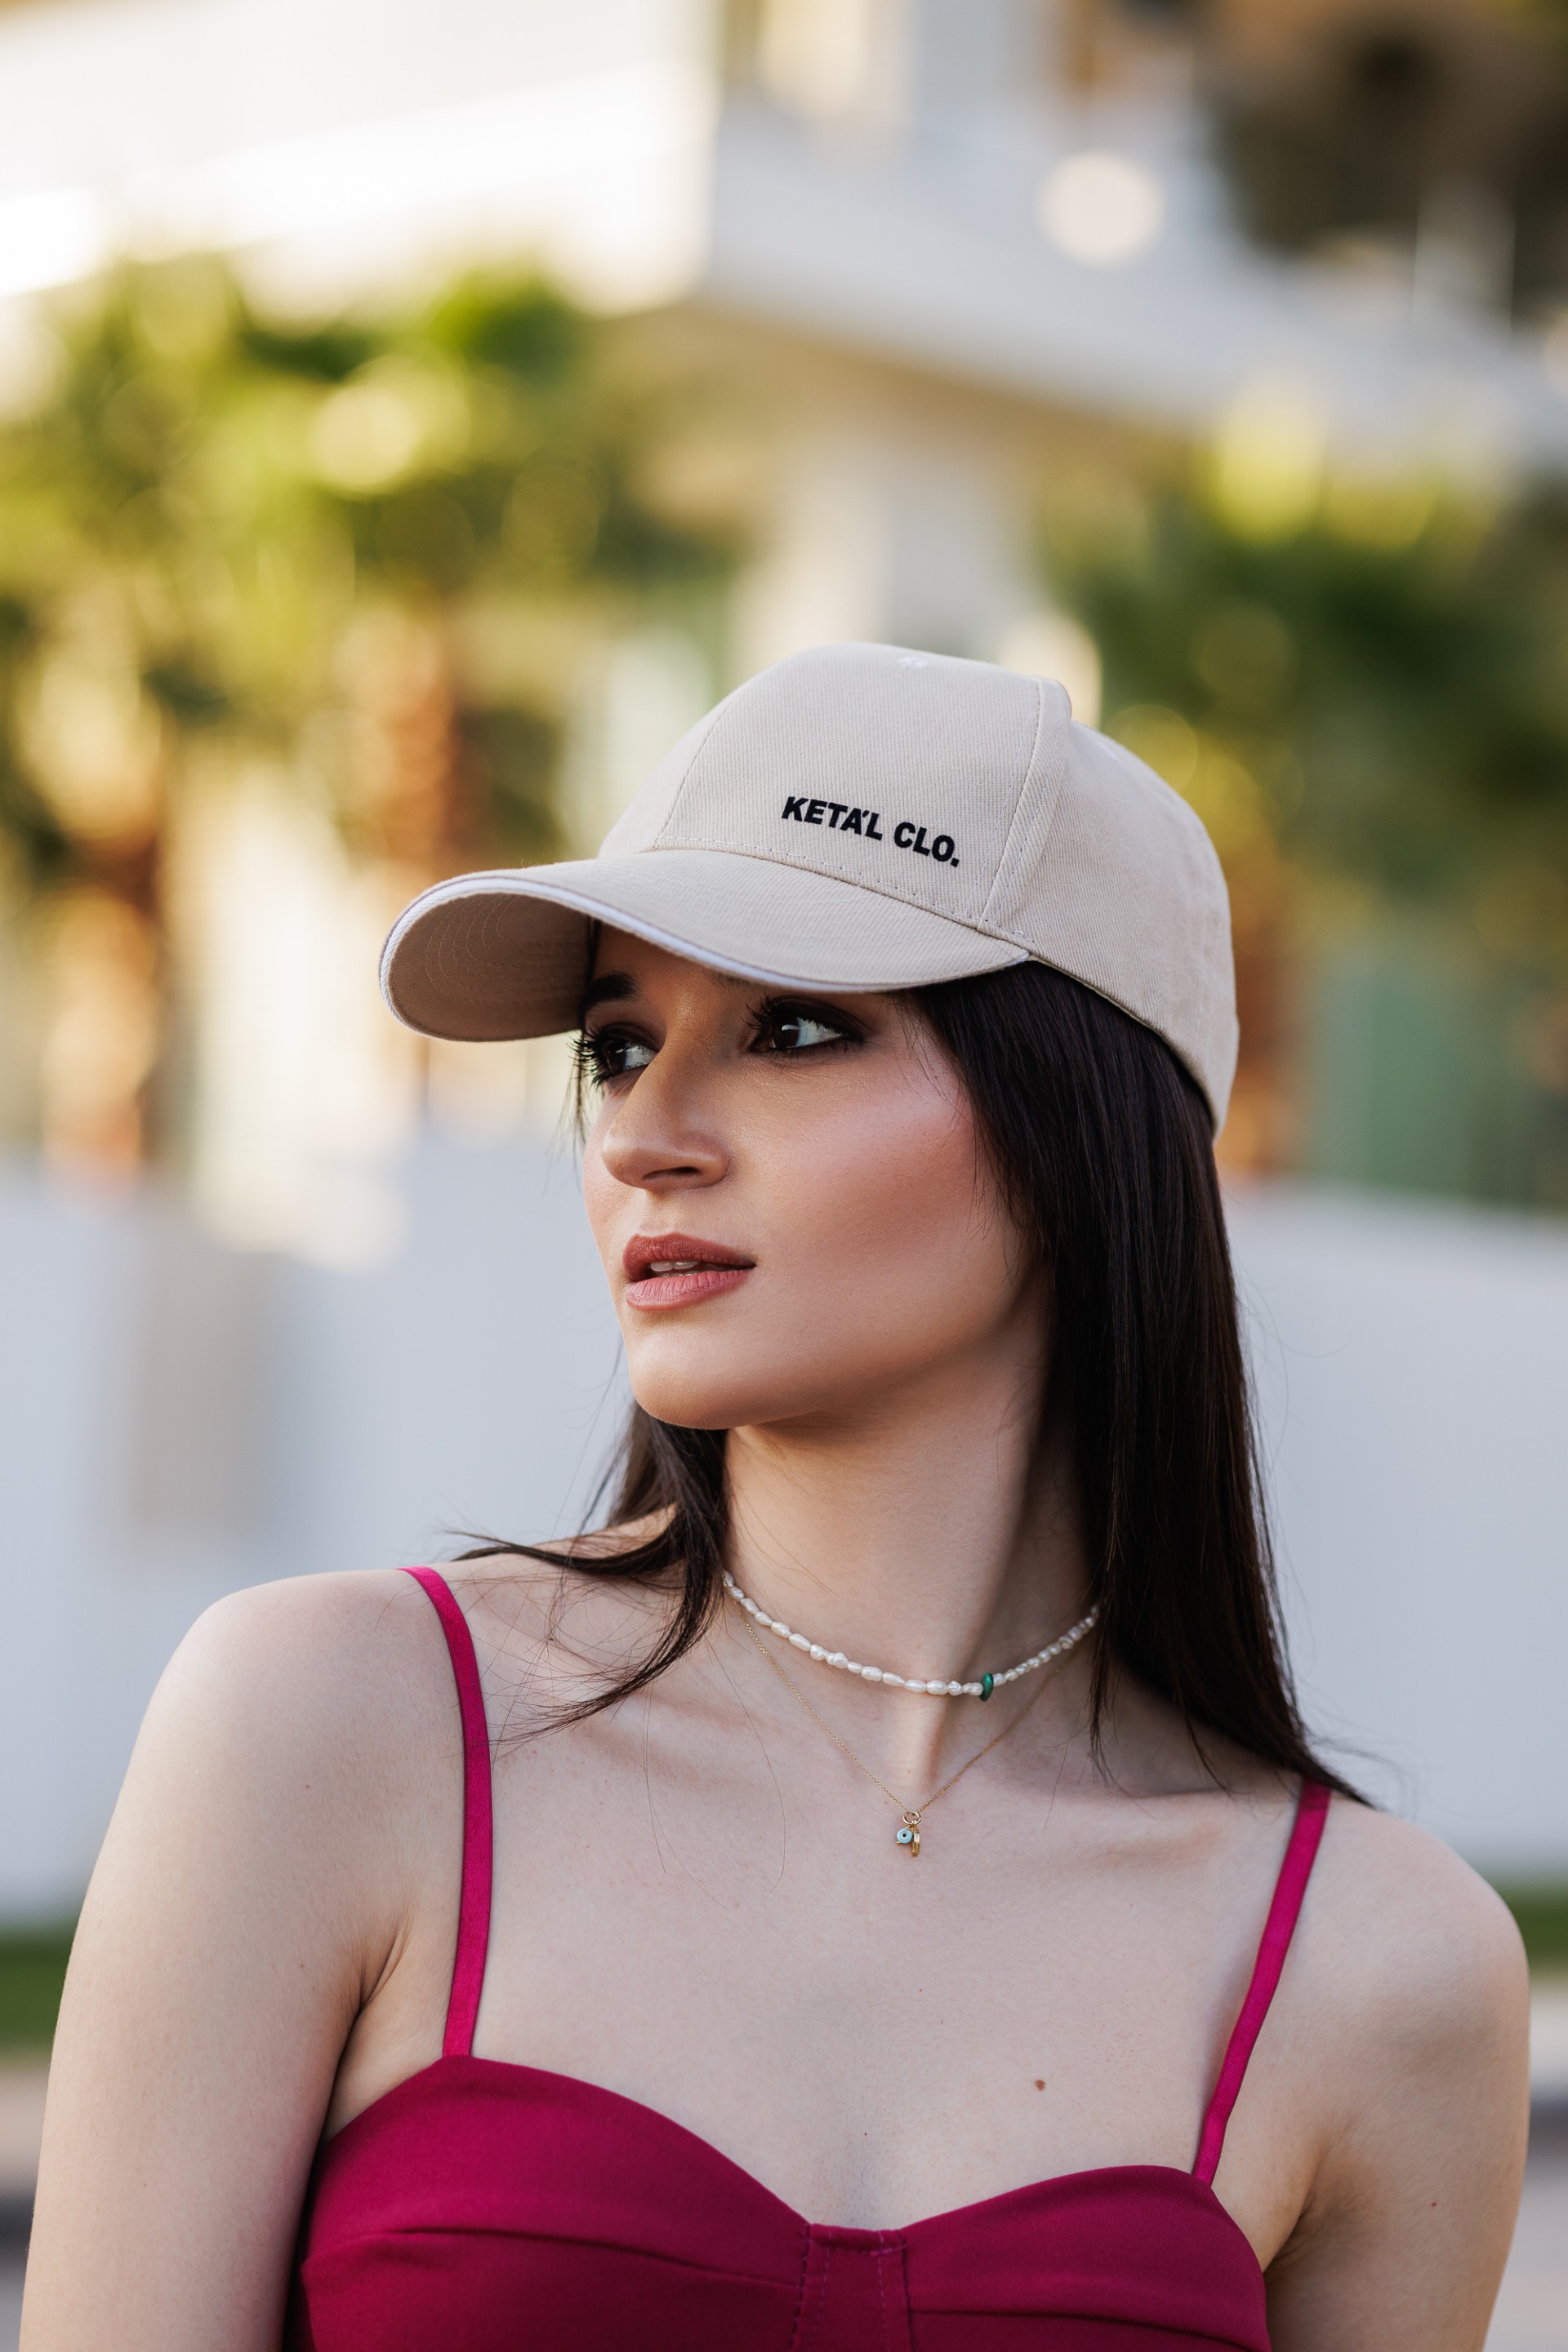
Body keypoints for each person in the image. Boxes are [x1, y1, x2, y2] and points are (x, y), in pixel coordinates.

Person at [24, 644, 1528, 2351]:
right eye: (614, 1045)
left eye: (794, 1027)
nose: (644, 1134)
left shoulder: (1379, 1968)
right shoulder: (336, 1730)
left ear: (1084, 1124)